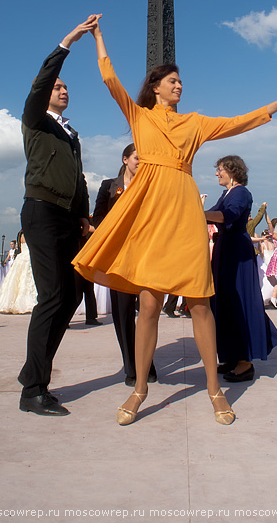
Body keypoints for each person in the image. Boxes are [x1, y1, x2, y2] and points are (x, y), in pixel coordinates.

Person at [73, 15, 277, 425]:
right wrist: (98, 37)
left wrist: (276, 105)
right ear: (155, 86)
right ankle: (139, 390)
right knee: (148, 304)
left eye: (180, 81)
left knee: (200, 303)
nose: (179, 85)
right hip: (152, 213)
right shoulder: (139, 115)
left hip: (184, 211)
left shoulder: (195, 123)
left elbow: (236, 122)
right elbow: (110, 80)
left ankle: (214, 390)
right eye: (172, 81)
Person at [18, 17, 93, 416]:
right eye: (58, 86)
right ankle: (33, 389)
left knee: (73, 294)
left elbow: (78, 177)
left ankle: (34, 371)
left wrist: (82, 215)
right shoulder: (36, 119)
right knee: (52, 296)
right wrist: (65, 44)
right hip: (42, 211)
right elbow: (40, 83)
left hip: (67, 217)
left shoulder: (71, 134)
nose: (63, 89)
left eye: (66, 87)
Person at [205, 156, 277, 383]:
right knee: (226, 302)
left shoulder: (240, 193)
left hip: (236, 252)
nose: (217, 173)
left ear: (232, 171)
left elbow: (226, 216)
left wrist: (196, 211)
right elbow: (214, 213)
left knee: (239, 301)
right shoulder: (227, 193)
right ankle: (232, 355)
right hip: (226, 250)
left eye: (219, 170)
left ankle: (245, 362)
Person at [93, 143, 157, 386]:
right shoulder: (109, 186)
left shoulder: (149, 186)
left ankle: (146, 362)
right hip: (118, 256)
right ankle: (132, 368)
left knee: (148, 310)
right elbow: (97, 216)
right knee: (123, 312)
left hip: (145, 254)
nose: (141, 162)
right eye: (137, 157)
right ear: (125, 159)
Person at [0, 231, 37, 314]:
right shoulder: (30, 233)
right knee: (26, 280)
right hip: (29, 257)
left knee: (17, 280)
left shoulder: (20, 235)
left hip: (21, 257)